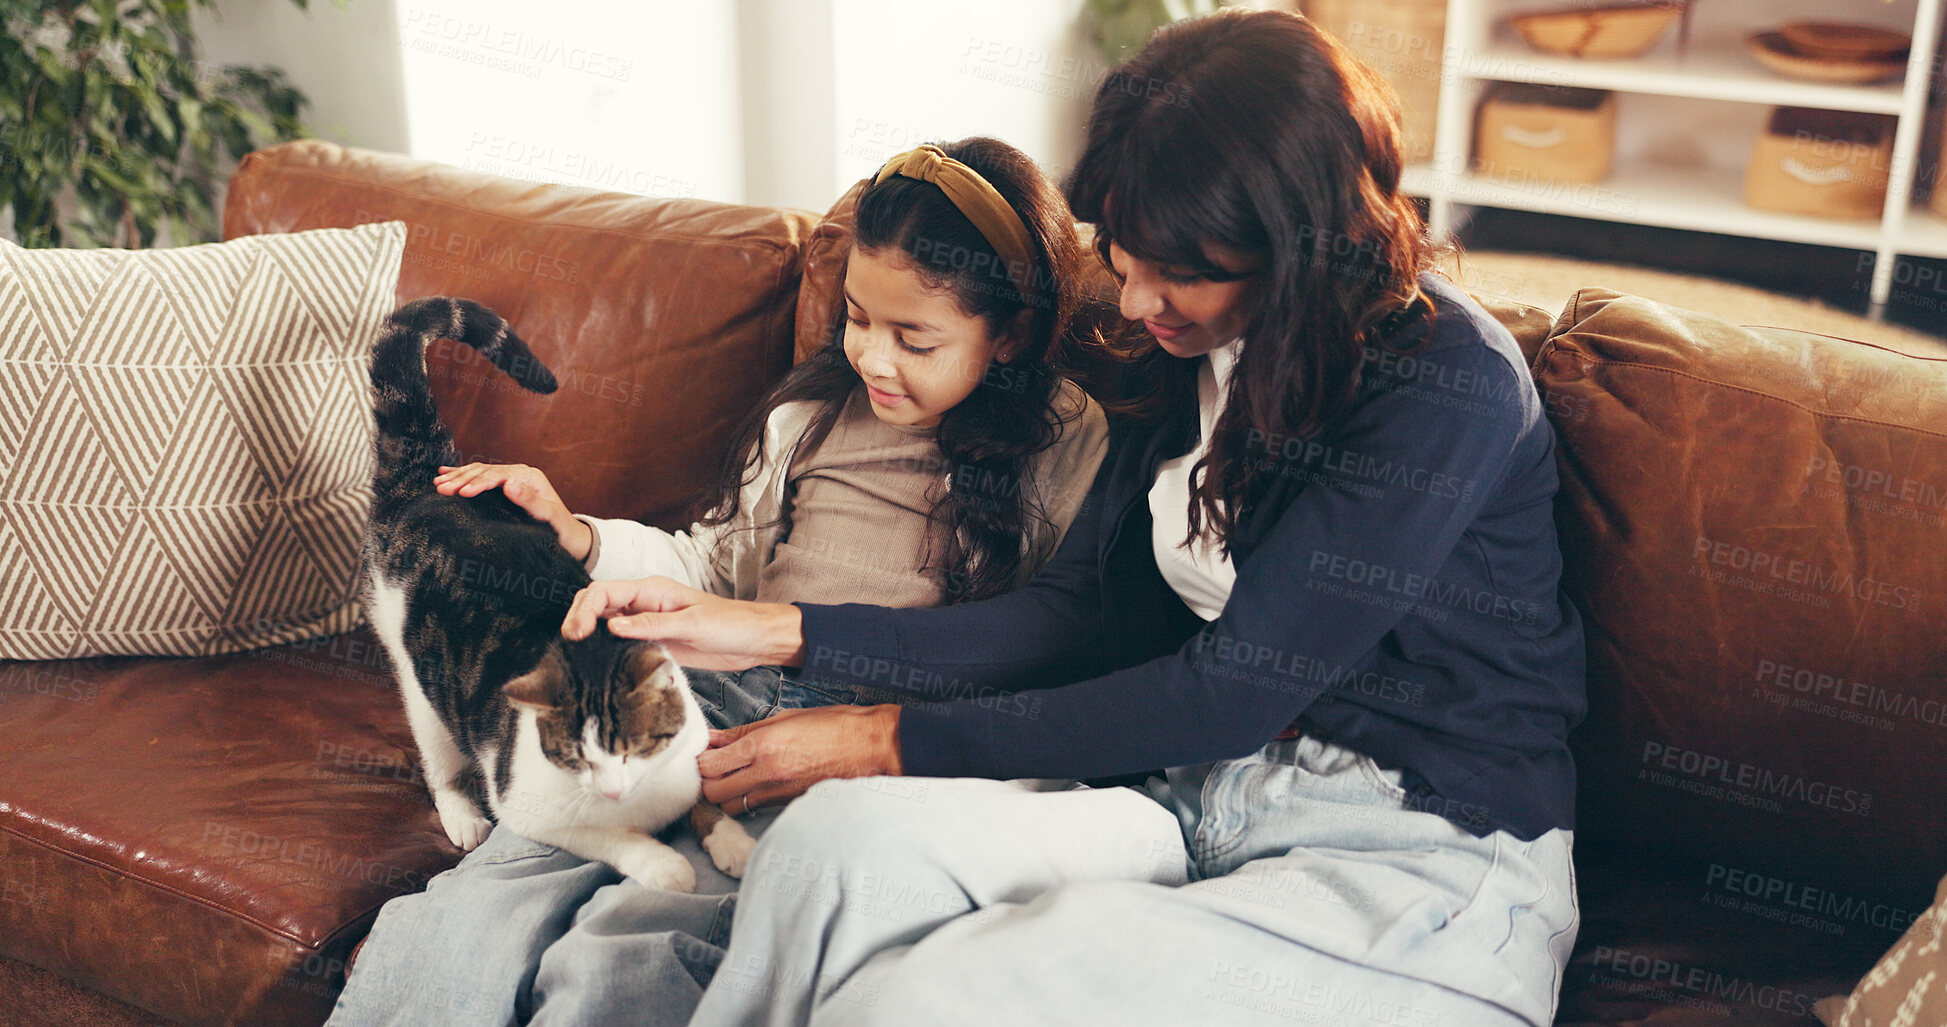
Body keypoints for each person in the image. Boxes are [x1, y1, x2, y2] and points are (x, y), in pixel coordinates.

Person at [569, 9, 1587, 1027]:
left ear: (1303, 249)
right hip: (1185, 802)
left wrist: (883, 736)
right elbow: (1077, 614)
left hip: (1411, 853)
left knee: (914, 1001)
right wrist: (784, 633)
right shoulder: (1190, 356)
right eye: (1123, 253)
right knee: (830, 849)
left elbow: (1232, 690)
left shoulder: (1447, 383)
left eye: (1182, 271)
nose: (1135, 301)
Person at [326, 136, 1112, 1027]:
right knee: (478, 908)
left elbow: (1042, 631)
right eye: (858, 318)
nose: (873, 358)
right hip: (708, 697)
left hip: (855, 739)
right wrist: (576, 534)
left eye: (914, 339)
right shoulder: (809, 415)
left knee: (630, 942)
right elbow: (715, 570)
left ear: (1007, 335)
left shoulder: (1061, 437)